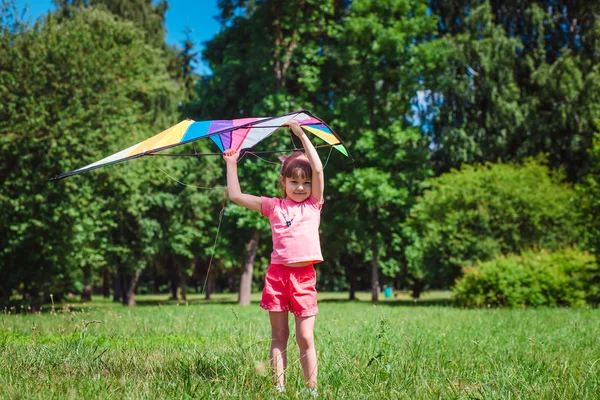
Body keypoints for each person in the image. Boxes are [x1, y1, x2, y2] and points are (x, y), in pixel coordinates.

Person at [223, 120, 324, 396]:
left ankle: (310, 388)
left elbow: (318, 168)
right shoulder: (273, 206)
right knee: (279, 337)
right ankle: (278, 386)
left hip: (304, 278)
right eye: (294, 181)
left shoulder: (315, 203)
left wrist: (301, 135)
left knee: (305, 337)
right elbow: (235, 195)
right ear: (283, 182)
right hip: (277, 277)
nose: (301, 187)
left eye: (305, 183)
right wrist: (231, 163)